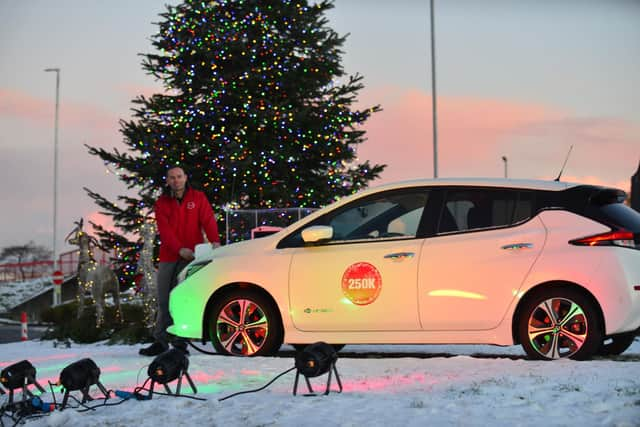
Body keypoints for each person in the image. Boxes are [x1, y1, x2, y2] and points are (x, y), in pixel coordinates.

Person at [139, 165, 221, 356]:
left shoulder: (198, 198)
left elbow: (208, 220)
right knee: (164, 299)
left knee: (184, 299)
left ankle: (181, 342)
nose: (176, 180)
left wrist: (215, 241)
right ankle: (160, 341)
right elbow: (165, 231)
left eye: (179, 176)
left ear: (185, 178)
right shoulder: (162, 203)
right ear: (167, 181)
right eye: (172, 177)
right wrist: (179, 249)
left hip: (193, 257)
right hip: (169, 256)